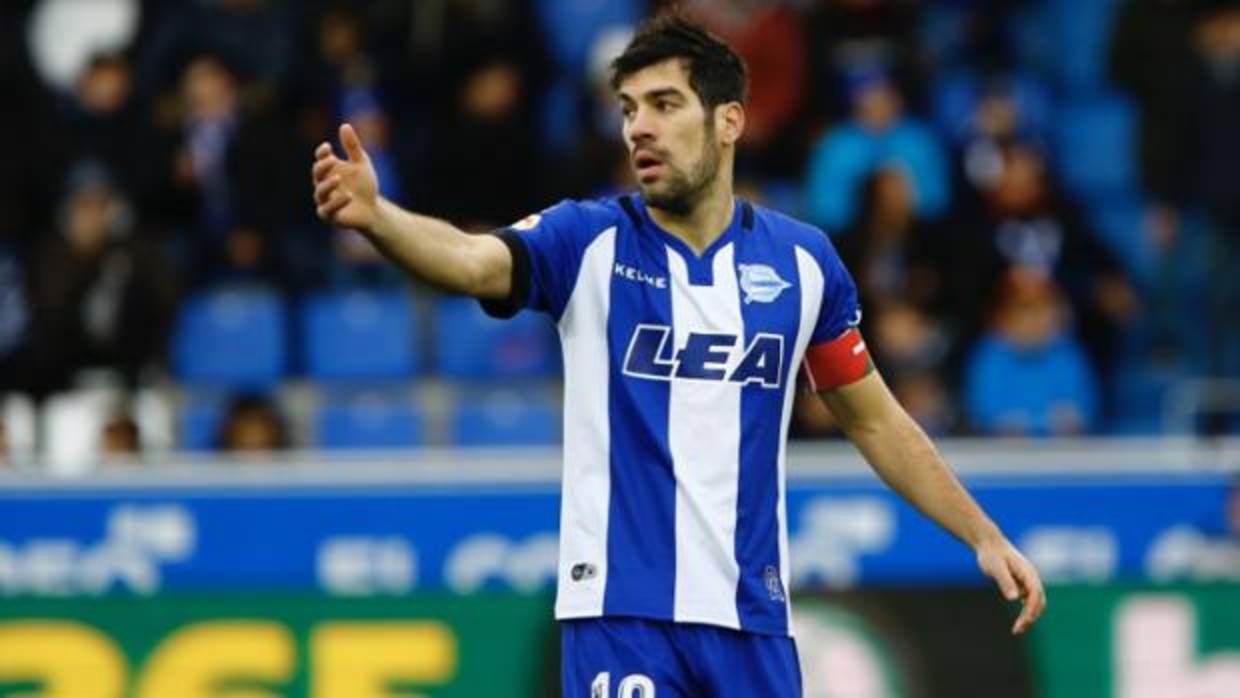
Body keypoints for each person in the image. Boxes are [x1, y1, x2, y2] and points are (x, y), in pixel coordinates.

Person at [311, 15, 1045, 697]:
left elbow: (876, 420)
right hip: (621, 616)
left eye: (664, 104)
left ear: (729, 121)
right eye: (629, 109)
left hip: (753, 623)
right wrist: (379, 218)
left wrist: (981, 534)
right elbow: (473, 261)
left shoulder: (804, 264)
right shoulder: (586, 241)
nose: (640, 128)